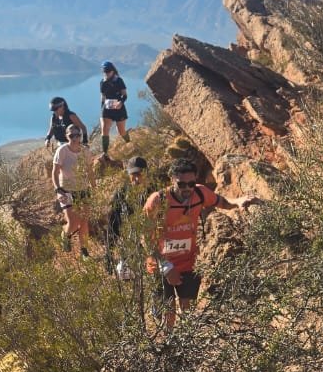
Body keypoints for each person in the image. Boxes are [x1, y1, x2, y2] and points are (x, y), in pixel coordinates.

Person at [143, 158, 258, 330]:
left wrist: (238, 201)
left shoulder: (200, 193)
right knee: (168, 313)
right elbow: (144, 237)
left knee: (187, 309)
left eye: (191, 183)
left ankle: (185, 340)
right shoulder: (158, 201)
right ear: (172, 180)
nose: (187, 188)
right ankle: (168, 341)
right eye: (181, 184)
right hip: (160, 263)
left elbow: (222, 202)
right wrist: (166, 266)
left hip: (187, 261)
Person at [51, 124, 94, 258]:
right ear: (66, 136)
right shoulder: (62, 150)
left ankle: (84, 251)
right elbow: (55, 172)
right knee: (73, 222)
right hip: (66, 190)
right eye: (71, 136)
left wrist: (94, 187)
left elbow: (90, 171)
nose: (75, 138)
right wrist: (58, 190)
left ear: (80, 136)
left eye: (77, 135)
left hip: (83, 189)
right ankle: (65, 235)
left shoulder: (85, 151)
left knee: (84, 221)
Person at [104, 155, 151, 276]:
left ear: (146, 173)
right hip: (130, 243)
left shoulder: (154, 192)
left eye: (139, 174)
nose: (136, 178)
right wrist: (109, 254)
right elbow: (113, 225)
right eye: (133, 174)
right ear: (128, 175)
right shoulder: (121, 194)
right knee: (126, 276)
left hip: (152, 243)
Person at [99, 62, 130, 154]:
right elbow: (103, 96)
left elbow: (125, 95)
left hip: (118, 108)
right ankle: (105, 153)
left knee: (121, 131)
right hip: (107, 107)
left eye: (108, 71)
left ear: (113, 71)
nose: (107, 73)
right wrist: (102, 107)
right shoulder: (102, 82)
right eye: (105, 71)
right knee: (104, 130)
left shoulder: (119, 80)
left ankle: (129, 143)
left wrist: (121, 102)